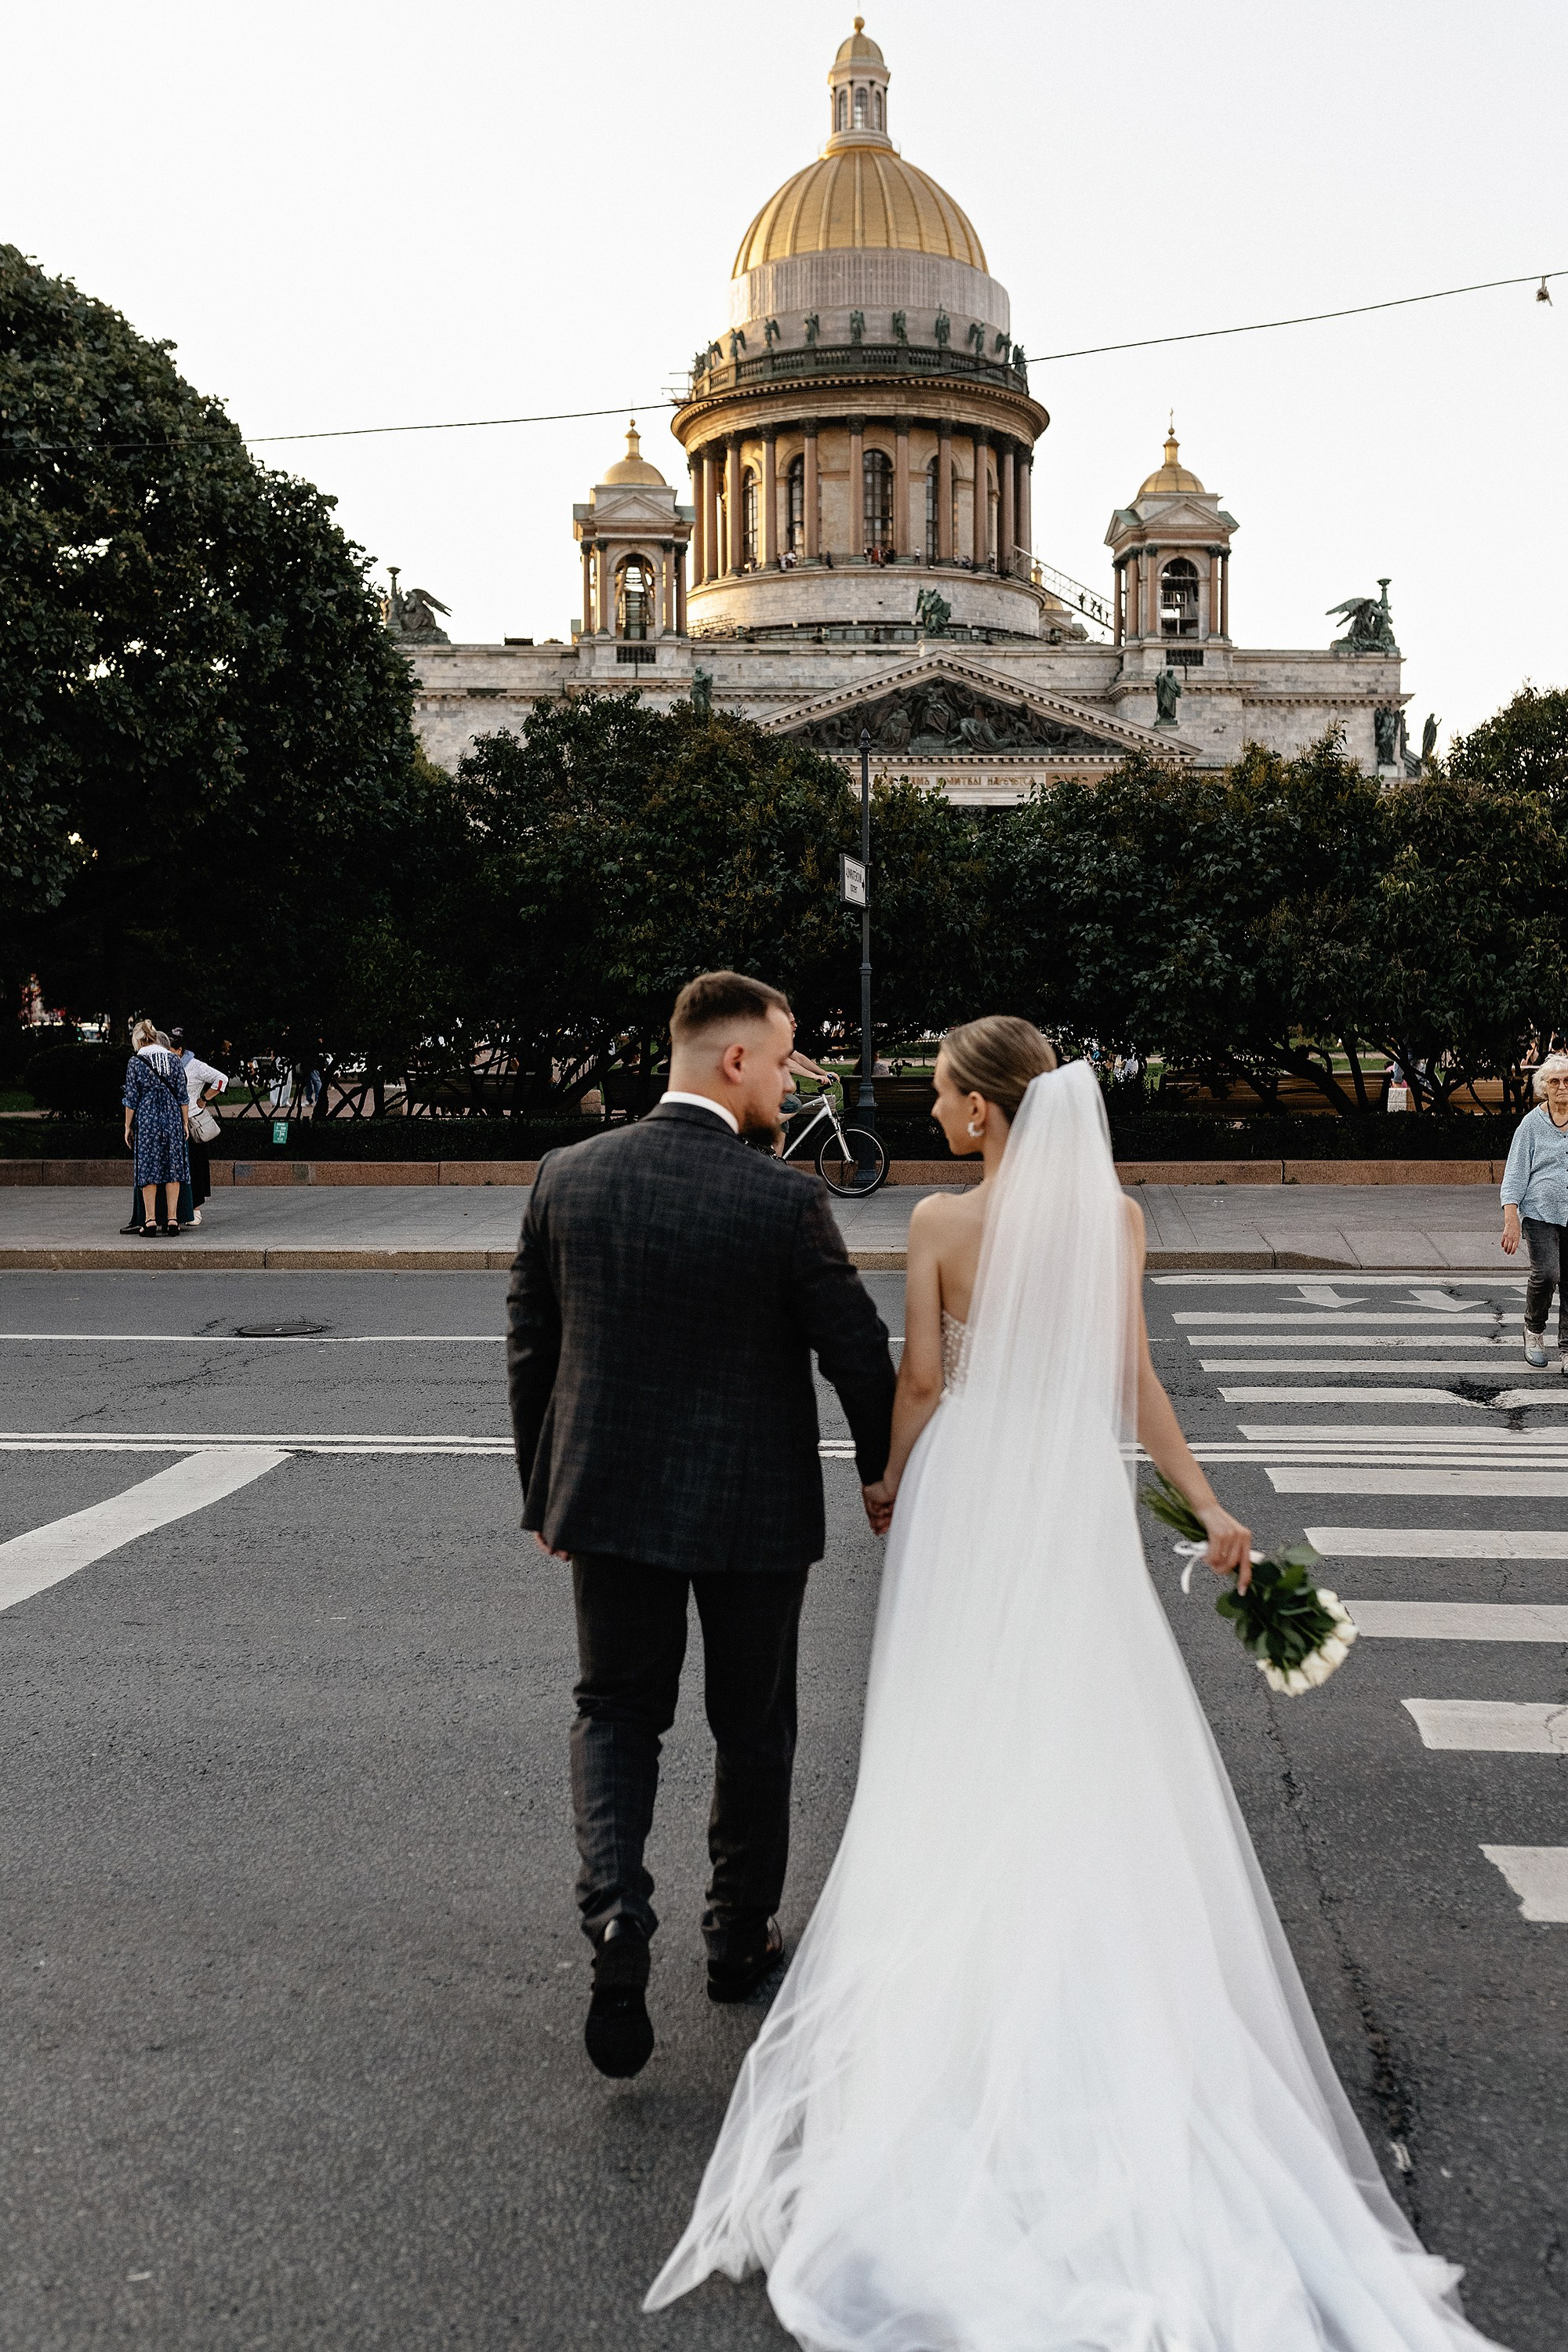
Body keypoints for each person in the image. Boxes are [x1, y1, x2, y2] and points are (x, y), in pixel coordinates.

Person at [647, 1018, 1504, 2352]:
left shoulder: (937, 1223)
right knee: (1080, 1724)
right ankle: (1082, 1952)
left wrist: (883, 1480)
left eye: (939, 1094)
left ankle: (962, 1965)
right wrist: (1207, 1509)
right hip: (1072, 1499)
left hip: (969, 1490)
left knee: (954, 1737)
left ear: (985, 1115)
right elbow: (1134, 1381)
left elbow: (923, 1383)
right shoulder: (1110, 1219)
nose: (929, 1112)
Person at [506, 969, 897, 2083]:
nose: (788, 1080)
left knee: (617, 1711)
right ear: (734, 1060)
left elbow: (531, 1340)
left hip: (609, 1498)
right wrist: (880, 1472)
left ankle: (618, 1916)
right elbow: (856, 1351)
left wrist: (546, 1490)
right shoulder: (781, 1199)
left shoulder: (568, 1176)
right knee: (752, 1723)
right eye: (783, 1061)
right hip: (753, 1510)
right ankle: (735, 1939)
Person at [1500, 1051, 1568, 1368]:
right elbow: (1514, 1174)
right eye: (1555, 1081)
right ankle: (1534, 1330)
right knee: (1548, 1274)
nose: (1562, 1087)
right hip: (1540, 1212)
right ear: (1544, 1087)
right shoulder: (1531, 1124)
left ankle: (1567, 1348)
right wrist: (1511, 1218)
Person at [121, 1019, 190, 1236]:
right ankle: (172, 1220)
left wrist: (127, 1126)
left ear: (139, 1039)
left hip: (148, 1118)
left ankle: (149, 1221)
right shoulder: (173, 1058)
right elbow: (182, 1094)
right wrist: (185, 1122)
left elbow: (131, 1098)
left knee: (148, 1168)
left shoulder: (136, 1062)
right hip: (171, 1117)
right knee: (173, 1167)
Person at [172, 1032, 229, 1227]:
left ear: (179, 1050)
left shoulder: (195, 1066)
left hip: (192, 1120)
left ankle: (196, 1208)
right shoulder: (168, 1065)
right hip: (173, 1121)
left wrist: (204, 1099)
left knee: (195, 1166)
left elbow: (222, 1079)